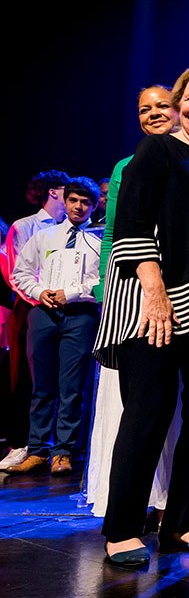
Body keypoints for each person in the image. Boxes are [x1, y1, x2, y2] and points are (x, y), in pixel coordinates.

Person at [92, 64, 189, 567]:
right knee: (148, 416)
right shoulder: (156, 150)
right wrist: (155, 292)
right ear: (180, 104)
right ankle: (121, 527)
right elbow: (130, 224)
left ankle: (181, 521)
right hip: (154, 305)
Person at [86, 85, 182, 523]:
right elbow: (114, 234)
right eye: (145, 109)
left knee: (182, 408)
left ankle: (173, 504)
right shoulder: (128, 164)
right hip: (135, 294)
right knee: (141, 406)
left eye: (163, 106)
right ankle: (134, 504)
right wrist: (110, 294)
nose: (154, 114)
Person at [5, 177, 102, 475]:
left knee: (72, 387)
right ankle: (37, 450)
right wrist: (39, 293)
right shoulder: (44, 237)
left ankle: (64, 452)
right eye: (74, 200)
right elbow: (21, 272)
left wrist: (71, 293)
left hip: (80, 314)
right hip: (43, 314)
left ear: (94, 205)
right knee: (41, 387)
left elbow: (103, 281)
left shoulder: (98, 242)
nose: (79, 207)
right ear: (65, 201)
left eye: (86, 202)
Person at [0, 170, 71, 471]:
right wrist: (41, 296)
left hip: (67, 307)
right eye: (65, 190)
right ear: (53, 192)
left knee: (64, 379)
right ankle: (23, 443)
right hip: (30, 309)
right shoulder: (25, 226)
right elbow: (14, 270)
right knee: (27, 378)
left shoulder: (72, 227)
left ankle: (59, 446)